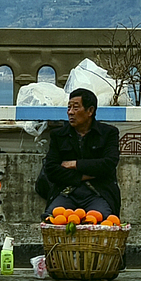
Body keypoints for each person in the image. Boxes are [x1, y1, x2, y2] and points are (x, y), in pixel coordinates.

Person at [37, 87, 121, 219]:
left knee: (101, 220)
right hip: (66, 192)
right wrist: (84, 176)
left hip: (98, 192)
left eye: (76, 108)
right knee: (51, 219)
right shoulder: (59, 135)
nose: (70, 112)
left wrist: (75, 164)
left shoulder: (108, 133)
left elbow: (108, 164)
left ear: (90, 111)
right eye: (69, 108)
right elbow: (51, 170)